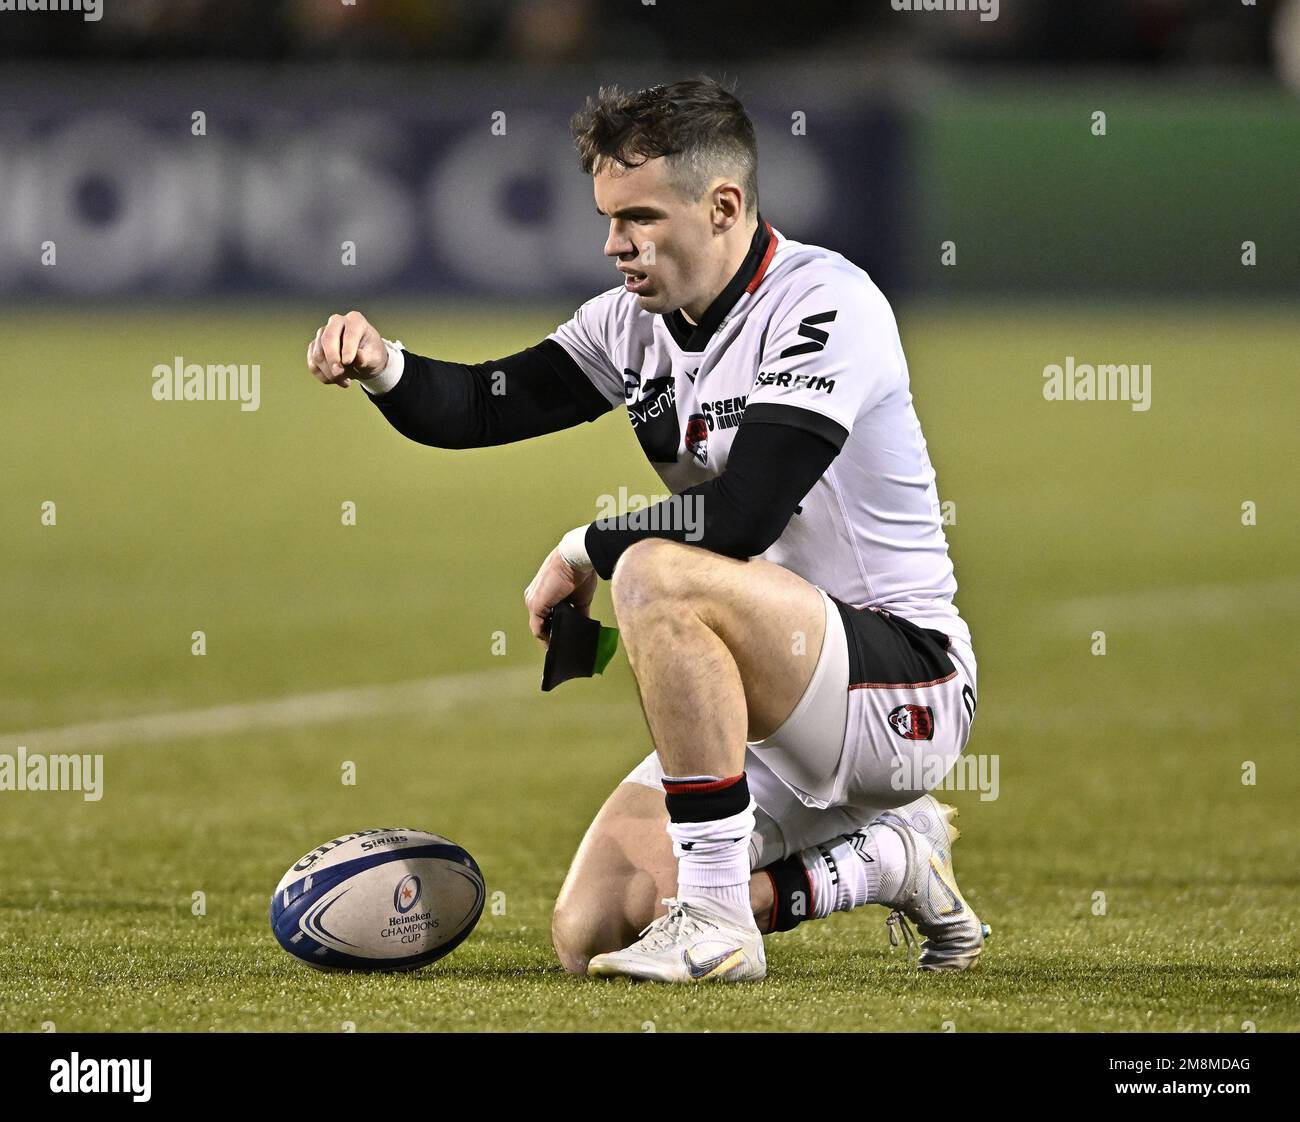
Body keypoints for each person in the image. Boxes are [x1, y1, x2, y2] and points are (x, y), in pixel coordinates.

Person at [306, 77, 988, 983]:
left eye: (638, 218)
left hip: (900, 684)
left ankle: (714, 922)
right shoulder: (635, 324)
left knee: (655, 573)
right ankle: (889, 859)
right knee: (591, 933)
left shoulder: (826, 305)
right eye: (607, 217)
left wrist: (585, 548)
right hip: (769, 700)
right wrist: (383, 366)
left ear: (724, 206)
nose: (614, 244)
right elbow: (477, 405)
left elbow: (743, 517)